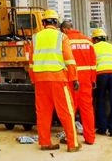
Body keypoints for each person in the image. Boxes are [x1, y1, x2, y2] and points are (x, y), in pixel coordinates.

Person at [30, 10, 80, 152]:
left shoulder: (35, 38)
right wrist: (74, 78)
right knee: (66, 112)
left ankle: (45, 142)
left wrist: (34, 80)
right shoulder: (61, 37)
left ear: (43, 23)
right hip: (58, 79)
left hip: (40, 80)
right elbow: (69, 60)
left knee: (43, 113)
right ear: (56, 23)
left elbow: (31, 63)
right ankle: (72, 144)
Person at [60, 21, 96, 145]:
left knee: (70, 109)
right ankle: (90, 138)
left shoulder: (64, 41)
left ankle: (70, 137)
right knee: (87, 109)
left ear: (64, 29)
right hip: (86, 80)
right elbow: (93, 63)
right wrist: (93, 79)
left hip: (71, 79)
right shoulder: (88, 41)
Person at [91, 28, 112, 137]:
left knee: (100, 100)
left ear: (94, 39)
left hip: (100, 74)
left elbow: (92, 63)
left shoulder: (93, 47)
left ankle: (102, 128)